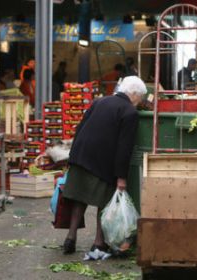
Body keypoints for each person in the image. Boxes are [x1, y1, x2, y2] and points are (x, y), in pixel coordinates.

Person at [61, 76, 147, 255]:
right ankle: (99, 243)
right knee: (104, 201)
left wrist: (72, 157)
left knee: (79, 198)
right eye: (141, 98)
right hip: (102, 161)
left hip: (81, 154)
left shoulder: (100, 101)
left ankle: (71, 237)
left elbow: (80, 128)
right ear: (134, 94)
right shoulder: (129, 113)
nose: (140, 103)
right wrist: (121, 177)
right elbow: (125, 148)